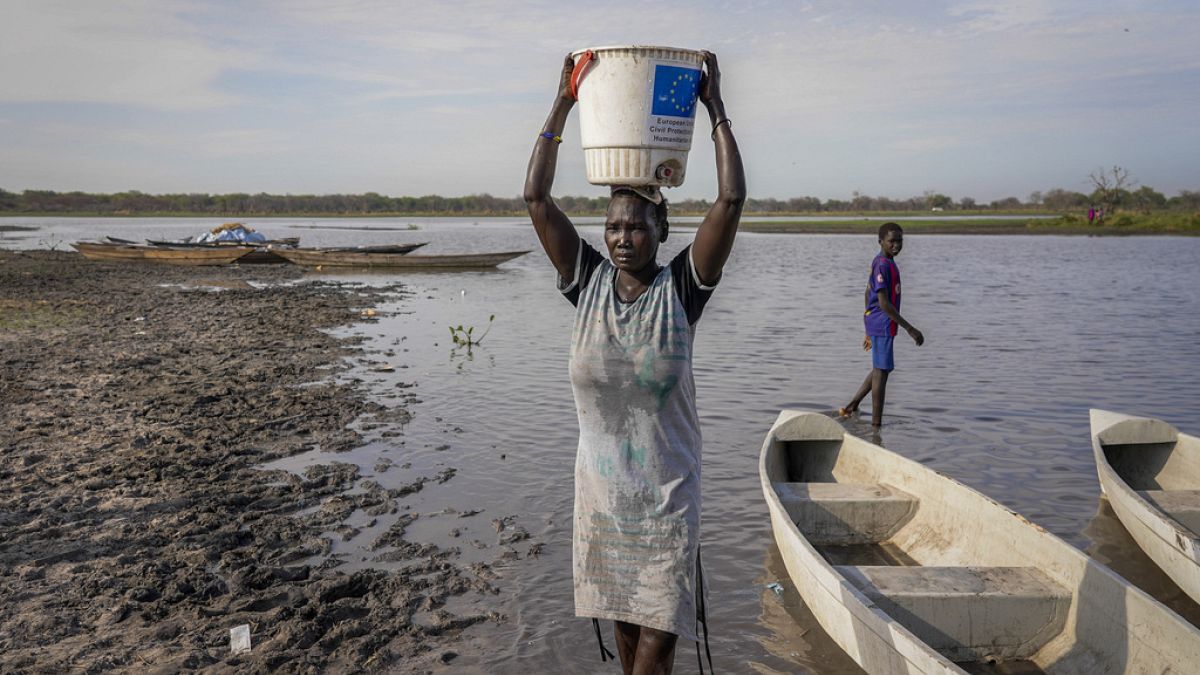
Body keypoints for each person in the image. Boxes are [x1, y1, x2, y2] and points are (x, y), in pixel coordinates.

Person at [524, 50, 744, 675]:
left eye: (637, 227)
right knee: (625, 635)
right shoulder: (585, 282)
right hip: (601, 499)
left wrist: (715, 109)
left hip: (666, 500)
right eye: (614, 227)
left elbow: (730, 200)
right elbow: (535, 197)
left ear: (661, 228)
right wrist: (565, 99)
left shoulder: (681, 291)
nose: (623, 238)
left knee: (659, 635)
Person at [839, 222, 924, 427]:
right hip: (882, 322)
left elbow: (867, 293)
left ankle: (852, 406)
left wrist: (868, 326)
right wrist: (910, 329)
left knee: (881, 369)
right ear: (881, 242)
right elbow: (883, 303)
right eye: (891, 241)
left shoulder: (889, 263)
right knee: (882, 372)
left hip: (880, 322)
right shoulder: (881, 264)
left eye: (899, 241)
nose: (896, 245)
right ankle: (876, 426)